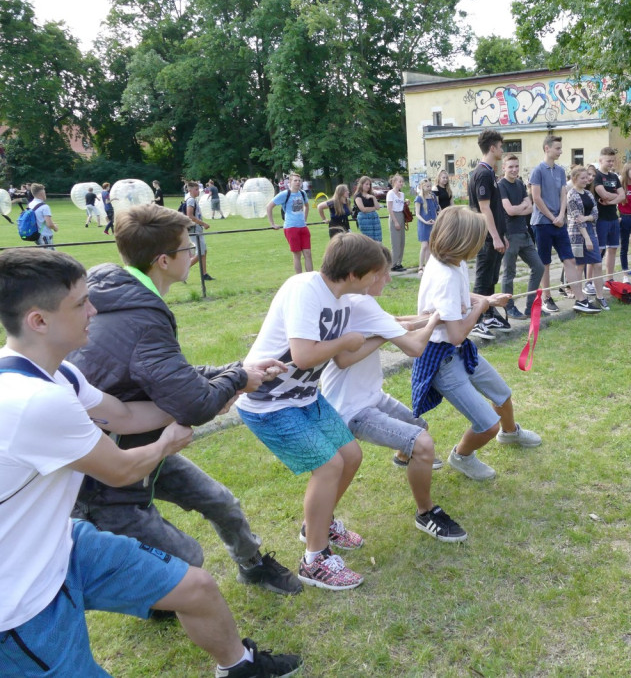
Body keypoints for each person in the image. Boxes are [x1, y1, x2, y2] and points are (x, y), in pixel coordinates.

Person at [0, 247, 301, 678]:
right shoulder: (34, 401)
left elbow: (125, 415)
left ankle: (240, 667)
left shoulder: (59, 374)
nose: (95, 309)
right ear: (39, 321)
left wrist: (207, 397)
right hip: (16, 597)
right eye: (81, 303)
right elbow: (120, 469)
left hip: (59, 543)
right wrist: (168, 442)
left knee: (195, 587)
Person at [68, 203, 300, 596]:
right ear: (163, 260)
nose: (193, 254)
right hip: (104, 477)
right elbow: (194, 405)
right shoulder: (139, 316)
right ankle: (160, 598)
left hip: (147, 446)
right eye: (186, 247)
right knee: (187, 559)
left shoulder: (123, 296)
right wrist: (239, 378)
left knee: (220, 502)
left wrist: (237, 369)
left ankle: (253, 566)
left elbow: (170, 378)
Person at [236, 233, 385, 591]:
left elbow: (343, 356)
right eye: (374, 274)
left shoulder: (341, 296)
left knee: (350, 455)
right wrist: (345, 341)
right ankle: (314, 559)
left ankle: (317, 523)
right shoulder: (305, 289)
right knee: (328, 465)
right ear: (353, 273)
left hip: (304, 396)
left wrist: (391, 330)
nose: (378, 281)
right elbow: (303, 355)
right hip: (267, 401)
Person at [320, 250, 467, 541]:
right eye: (383, 273)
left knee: (419, 428)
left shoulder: (356, 301)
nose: (388, 278)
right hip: (352, 410)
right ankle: (426, 513)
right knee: (423, 443)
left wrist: (427, 319)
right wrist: (437, 316)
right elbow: (413, 347)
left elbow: (395, 322)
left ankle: (406, 457)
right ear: (365, 275)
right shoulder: (361, 304)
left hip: (369, 397)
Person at [411, 207, 542, 482]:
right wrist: (481, 308)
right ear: (462, 241)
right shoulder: (444, 274)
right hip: (442, 359)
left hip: (458, 351)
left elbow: (459, 297)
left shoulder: (451, 262)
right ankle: (461, 455)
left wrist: (485, 299)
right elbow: (457, 334)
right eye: (478, 238)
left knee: (502, 395)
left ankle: (510, 434)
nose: (481, 243)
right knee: (486, 425)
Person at [530, 135, 599, 317]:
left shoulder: (560, 171)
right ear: (547, 148)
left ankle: (580, 299)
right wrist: (553, 217)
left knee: (569, 259)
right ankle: (547, 298)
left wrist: (561, 215)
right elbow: (536, 197)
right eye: (558, 148)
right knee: (545, 262)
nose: (560, 151)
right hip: (542, 223)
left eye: (561, 148)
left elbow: (563, 194)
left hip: (560, 222)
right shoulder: (537, 170)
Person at [467, 130, 512, 338]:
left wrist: (502, 235)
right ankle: (475, 321)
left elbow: (495, 208)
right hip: (485, 237)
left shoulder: (490, 172)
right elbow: (484, 209)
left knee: (492, 277)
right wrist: (494, 237)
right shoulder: (482, 173)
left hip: (495, 235)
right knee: (483, 278)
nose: (502, 150)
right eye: (501, 146)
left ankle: (489, 313)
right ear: (492, 148)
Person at [498, 154, 544, 320]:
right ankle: (509, 308)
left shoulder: (519, 183)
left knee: (538, 267)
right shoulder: (501, 186)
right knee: (509, 273)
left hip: (524, 233)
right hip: (509, 235)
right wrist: (521, 207)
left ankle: (531, 307)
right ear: (503, 168)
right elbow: (509, 210)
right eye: (510, 167)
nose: (514, 169)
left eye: (516, 166)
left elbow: (530, 207)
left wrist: (520, 208)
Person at [566, 165, 605, 311]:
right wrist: (587, 238)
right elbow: (577, 218)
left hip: (591, 229)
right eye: (583, 178)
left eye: (587, 177)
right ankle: (579, 297)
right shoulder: (571, 195)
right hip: (577, 234)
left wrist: (587, 217)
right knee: (579, 265)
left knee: (598, 263)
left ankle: (600, 296)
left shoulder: (588, 194)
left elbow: (595, 214)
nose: (586, 180)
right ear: (575, 179)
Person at [593, 147, 625, 295]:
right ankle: (593, 281)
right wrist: (614, 197)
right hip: (601, 218)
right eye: (608, 161)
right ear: (601, 160)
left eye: (613, 160)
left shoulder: (614, 177)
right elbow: (603, 194)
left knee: (613, 249)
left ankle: (609, 279)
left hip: (613, 217)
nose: (611, 163)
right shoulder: (597, 176)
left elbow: (622, 196)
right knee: (598, 251)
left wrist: (612, 201)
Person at [267, 172, 312, 275]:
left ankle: (311, 278)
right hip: (291, 227)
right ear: (290, 182)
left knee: (308, 253)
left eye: (299, 181)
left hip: (303, 227)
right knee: (297, 254)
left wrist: (304, 219)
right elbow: (269, 206)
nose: (297, 182)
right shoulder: (284, 194)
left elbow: (307, 206)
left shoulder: (302, 193)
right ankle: (299, 279)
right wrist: (272, 224)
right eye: (295, 180)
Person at [184, 180, 214, 281]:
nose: (198, 191)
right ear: (190, 190)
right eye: (196, 190)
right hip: (194, 229)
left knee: (204, 251)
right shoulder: (191, 200)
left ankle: (204, 274)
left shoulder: (193, 199)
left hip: (197, 229)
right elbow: (190, 216)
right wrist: (203, 223)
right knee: (200, 252)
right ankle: (183, 270)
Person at [414, 177, 438, 273]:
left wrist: (436, 220)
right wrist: (425, 221)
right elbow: (417, 214)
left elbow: (436, 209)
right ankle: (420, 266)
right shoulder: (419, 198)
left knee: (430, 246)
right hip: (423, 224)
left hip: (433, 223)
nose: (429, 188)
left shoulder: (433, 197)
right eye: (427, 186)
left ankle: (428, 266)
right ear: (422, 187)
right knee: (424, 245)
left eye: (430, 186)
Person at [386, 173, 408, 271]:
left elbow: (401, 205)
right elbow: (390, 209)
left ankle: (399, 262)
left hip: (401, 215)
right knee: (395, 241)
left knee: (402, 241)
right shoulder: (390, 193)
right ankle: (393, 264)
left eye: (402, 182)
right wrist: (395, 221)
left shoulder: (402, 194)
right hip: (394, 215)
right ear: (394, 182)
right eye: (399, 181)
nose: (401, 183)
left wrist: (406, 202)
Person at [27, 184, 57, 249]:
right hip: (45, 235)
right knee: (50, 258)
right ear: (42, 193)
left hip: (36, 235)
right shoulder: (45, 207)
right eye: (44, 192)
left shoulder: (30, 205)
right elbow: (49, 224)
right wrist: (55, 227)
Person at [353, 175, 382, 242]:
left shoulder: (371, 195)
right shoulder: (358, 196)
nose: (368, 186)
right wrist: (373, 208)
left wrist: (373, 198)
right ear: (361, 184)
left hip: (374, 218)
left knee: (378, 238)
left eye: (369, 184)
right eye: (366, 184)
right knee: (368, 240)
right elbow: (363, 209)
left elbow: (378, 207)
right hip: (364, 219)